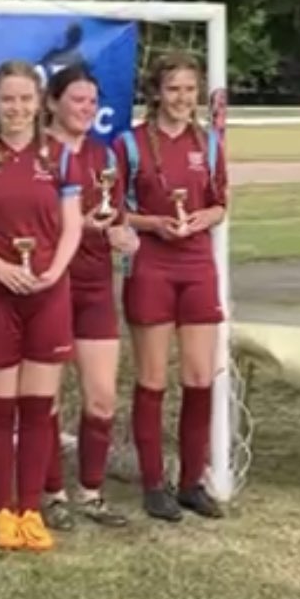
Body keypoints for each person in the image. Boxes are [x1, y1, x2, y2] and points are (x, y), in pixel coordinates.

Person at [0, 60, 84, 552]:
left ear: (40, 102)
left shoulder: (61, 157)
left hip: (48, 293)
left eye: (26, 98)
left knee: (37, 407)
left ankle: (30, 509)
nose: (17, 108)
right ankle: (1, 511)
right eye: (8, 99)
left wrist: (55, 270)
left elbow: (72, 225)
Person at [115, 51, 228, 522]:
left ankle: (191, 483)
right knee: (153, 377)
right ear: (156, 93)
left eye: (189, 89)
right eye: (173, 89)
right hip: (151, 266)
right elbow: (115, 211)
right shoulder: (130, 143)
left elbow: (221, 203)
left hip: (197, 264)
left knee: (200, 377)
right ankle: (153, 483)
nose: (182, 98)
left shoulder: (211, 142)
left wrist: (204, 217)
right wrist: (154, 223)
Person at [39, 65, 138, 531]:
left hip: (95, 286)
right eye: (77, 100)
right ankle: (52, 493)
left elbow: (115, 216)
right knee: (47, 397)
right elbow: (28, 222)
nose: (86, 109)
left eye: (92, 101)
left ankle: (92, 492)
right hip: (50, 285)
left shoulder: (104, 155)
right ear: (52, 102)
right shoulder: (38, 154)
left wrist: (121, 234)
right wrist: (77, 227)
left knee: (102, 398)